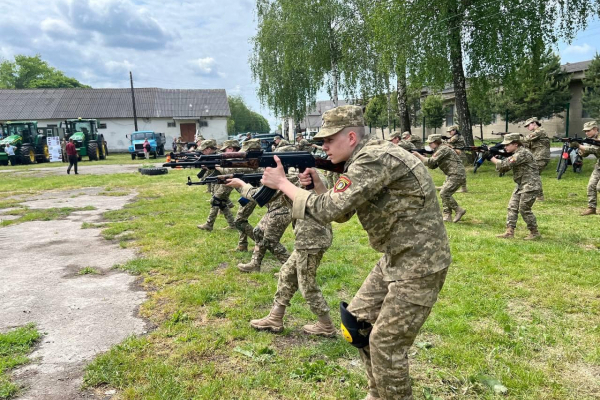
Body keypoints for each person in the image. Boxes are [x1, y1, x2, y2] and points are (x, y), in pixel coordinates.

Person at [259, 105, 451, 400]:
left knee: (386, 346)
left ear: (350, 137)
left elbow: (330, 209)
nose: (322, 147)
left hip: (419, 264)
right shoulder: (363, 158)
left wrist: (284, 184)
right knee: (356, 324)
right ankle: (377, 393)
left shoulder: (374, 158)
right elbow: (340, 211)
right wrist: (319, 185)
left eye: (327, 140)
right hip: (396, 257)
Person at [490, 133, 542, 240]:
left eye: (507, 145)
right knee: (512, 207)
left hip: (530, 185)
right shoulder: (517, 153)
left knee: (524, 209)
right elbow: (504, 167)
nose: (505, 147)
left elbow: (505, 165)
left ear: (515, 144)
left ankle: (534, 232)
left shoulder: (522, 154)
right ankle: (509, 232)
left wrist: (490, 157)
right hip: (521, 185)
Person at [413, 134, 467, 223]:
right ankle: (447, 215)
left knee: (444, 193)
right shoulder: (439, 149)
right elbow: (432, 165)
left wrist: (418, 155)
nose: (429, 145)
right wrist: (424, 156)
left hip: (456, 174)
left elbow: (430, 161)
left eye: (430, 143)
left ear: (436, 142)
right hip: (451, 174)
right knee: (444, 193)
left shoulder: (443, 149)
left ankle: (458, 210)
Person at [197, 140, 239, 231]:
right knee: (221, 202)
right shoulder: (223, 156)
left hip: (228, 182)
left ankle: (209, 224)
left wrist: (217, 166)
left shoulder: (233, 157)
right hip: (224, 181)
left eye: (204, 150)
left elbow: (230, 171)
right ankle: (232, 225)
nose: (202, 152)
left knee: (215, 200)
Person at [233, 139, 262, 251]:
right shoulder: (252, 162)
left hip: (254, 193)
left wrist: (217, 166)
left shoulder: (255, 164)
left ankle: (262, 242)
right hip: (248, 194)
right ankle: (242, 244)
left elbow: (233, 169)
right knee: (241, 218)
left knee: (239, 221)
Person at [569, 121, 600, 216]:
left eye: (588, 130)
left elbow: (595, 149)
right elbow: (585, 154)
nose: (586, 133)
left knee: (599, 187)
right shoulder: (590, 139)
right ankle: (592, 208)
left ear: (595, 129)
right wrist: (579, 148)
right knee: (591, 186)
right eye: (585, 131)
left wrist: (579, 145)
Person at [522, 117, 550, 201]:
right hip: (537, 156)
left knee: (533, 174)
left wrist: (514, 138)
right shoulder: (537, 133)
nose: (527, 127)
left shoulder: (539, 131)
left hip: (541, 157)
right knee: (534, 175)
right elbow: (527, 144)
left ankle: (538, 195)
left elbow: (526, 139)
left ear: (534, 123)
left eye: (528, 125)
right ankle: (538, 195)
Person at [445, 125, 468, 193]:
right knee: (451, 169)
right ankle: (446, 185)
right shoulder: (457, 136)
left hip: (459, 155)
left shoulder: (456, 137)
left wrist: (441, 140)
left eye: (450, 131)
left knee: (460, 172)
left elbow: (447, 143)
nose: (449, 133)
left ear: (454, 130)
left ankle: (464, 188)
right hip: (457, 154)